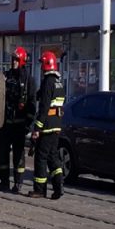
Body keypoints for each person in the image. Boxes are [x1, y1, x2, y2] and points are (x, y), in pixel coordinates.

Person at [0, 47, 35, 192]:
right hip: (6, 124)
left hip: (19, 126)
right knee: (2, 154)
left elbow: (32, 104)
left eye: (16, 60)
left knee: (19, 156)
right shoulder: (6, 77)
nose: (13, 62)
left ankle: (18, 183)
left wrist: (28, 125)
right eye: (12, 59)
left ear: (22, 61)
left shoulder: (28, 80)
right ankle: (4, 181)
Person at [29, 50, 65, 200]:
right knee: (53, 157)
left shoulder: (48, 81)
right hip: (56, 124)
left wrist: (37, 128)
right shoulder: (58, 82)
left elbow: (44, 107)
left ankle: (39, 190)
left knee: (41, 158)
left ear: (45, 65)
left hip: (47, 125)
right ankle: (58, 187)